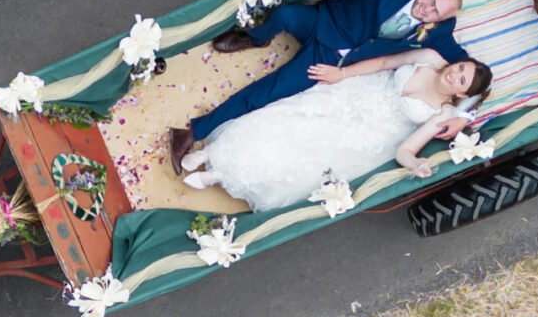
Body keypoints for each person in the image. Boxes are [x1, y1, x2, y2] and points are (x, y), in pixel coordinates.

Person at [172, 0, 472, 164]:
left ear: (441, 20)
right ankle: (255, 38)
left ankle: (191, 132)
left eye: (435, 12)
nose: (427, 8)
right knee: (286, 15)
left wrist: (462, 116)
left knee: (268, 92)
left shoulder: (439, 34)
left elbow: (475, 72)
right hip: (324, 19)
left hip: (332, 58)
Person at [179, 53, 492, 212]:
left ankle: (218, 176)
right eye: (461, 68)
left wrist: (417, 165)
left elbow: (406, 150)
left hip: (368, 133)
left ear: (461, 94)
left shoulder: (443, 114)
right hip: (353, 95)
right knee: (286, 117)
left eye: (462, 81)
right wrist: (342, 73)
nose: (455, 75)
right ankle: (209, 153)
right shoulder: (430, 57)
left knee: (301, 153)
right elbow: (383, 61)